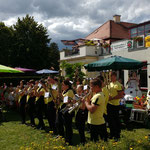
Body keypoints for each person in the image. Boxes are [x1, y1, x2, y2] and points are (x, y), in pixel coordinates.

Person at [56, 79, 75, 145]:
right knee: (60, 123)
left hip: (67, 110)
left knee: (68, 126)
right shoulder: (64, 91)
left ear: (67, 86)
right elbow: (60, 101)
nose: (62, 86)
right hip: (62, 109)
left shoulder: (70, 91)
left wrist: (60, 95)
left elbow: (66, 101)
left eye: (63, 85)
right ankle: (62, 136)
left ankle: (69, 140)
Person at [107, 71, 124, 141]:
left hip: (115, 105)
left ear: (114, 76)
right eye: (109, 76)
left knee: (115, 120)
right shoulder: (110, 84)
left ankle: (117, 135)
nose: (110, 77)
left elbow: (120, 95)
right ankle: (112, 134)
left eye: (111, 76)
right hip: (109, 104)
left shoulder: (118, 84)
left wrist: (112, 98)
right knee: (110, 121)